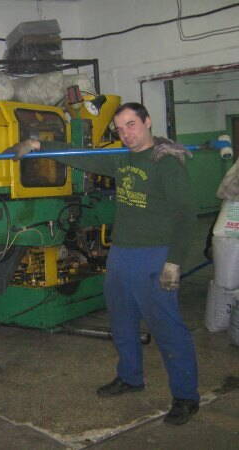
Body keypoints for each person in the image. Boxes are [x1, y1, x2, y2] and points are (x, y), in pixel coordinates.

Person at [15, 102, 200, 425]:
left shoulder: (166, 163)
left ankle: (186, 396)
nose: (126, 133)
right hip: (122, 254)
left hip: (154, 255)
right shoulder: (122, 158)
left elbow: (186, 215)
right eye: (120, 128)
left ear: (147, 121)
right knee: (122, 322)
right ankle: (130, 377)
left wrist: (174, 262)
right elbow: (83, 157)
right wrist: (38, 145)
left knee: (167, 327)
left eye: (131, 124)